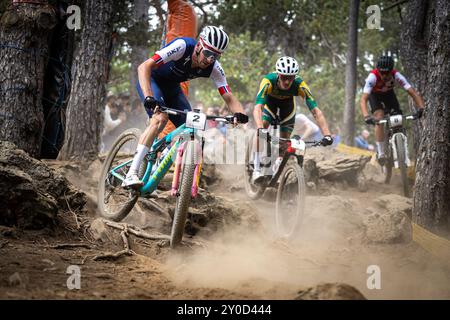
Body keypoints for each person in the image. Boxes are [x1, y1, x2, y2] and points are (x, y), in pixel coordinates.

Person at [122, 26, 248, 187]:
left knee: (192, 129)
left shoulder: (214, 68)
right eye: (208, 53)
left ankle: (161, 161)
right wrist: (149, 96)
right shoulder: (182, 46)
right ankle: (131, 173)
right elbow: (144, 67)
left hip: (173, 89)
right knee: (160, 118)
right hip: (153, 81)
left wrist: (240, 114)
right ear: (199, 45)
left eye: (215, 56)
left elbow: (228, 96)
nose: (210, 59)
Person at [252, 56, 333, 182]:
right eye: (284, 77)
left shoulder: (300, 85)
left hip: (287, 107)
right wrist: (259, 128)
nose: (287, 82)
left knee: (285, 140)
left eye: (291, 78)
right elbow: (258, 108)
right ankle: (256, 168)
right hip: (270, 103)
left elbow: (316, 111)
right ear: (278, 74)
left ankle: (278, 166)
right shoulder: (268, 81)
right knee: (264, 125)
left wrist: (327, 134)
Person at [360, 55, 425, 164]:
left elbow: (412, 92)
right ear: (378, 70)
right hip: (374, 95)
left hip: (389, 95)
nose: (384, 76)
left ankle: (400, 148)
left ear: (391, 71)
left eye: (387, 73)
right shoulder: (372, 77)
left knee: (398, 117)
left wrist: (421, 108)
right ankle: (381, 152)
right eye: (382, 73)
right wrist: (366, 116)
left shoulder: (397, 75)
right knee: (379, 117)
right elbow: (363, 99)